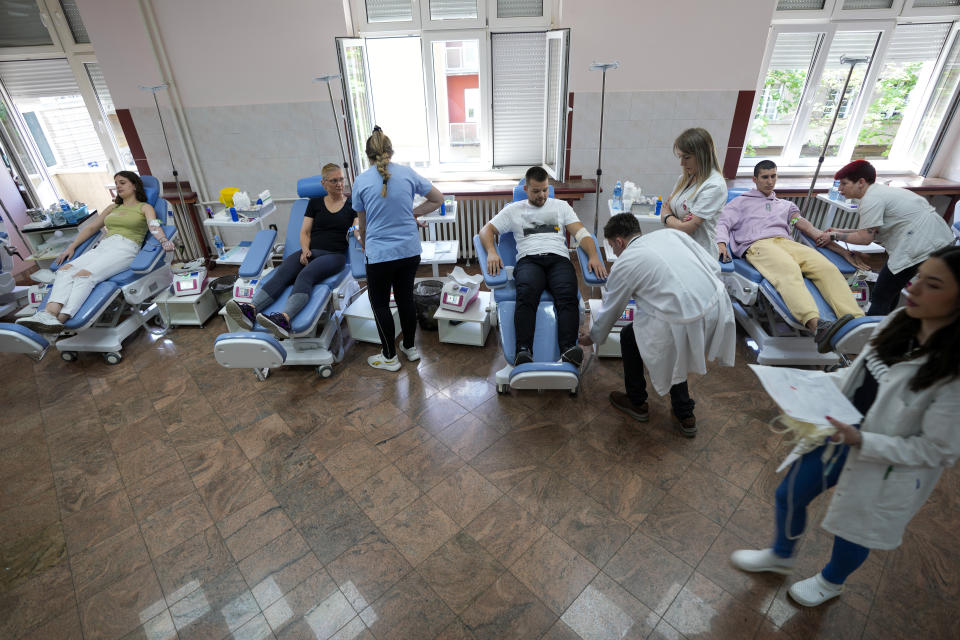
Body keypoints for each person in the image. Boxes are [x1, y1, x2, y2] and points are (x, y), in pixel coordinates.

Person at [731, 246, 960, 607]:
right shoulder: (898, 324)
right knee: (789, 494)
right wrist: (804, 392)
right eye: (918, 277)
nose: (912, 289)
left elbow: (938, 450)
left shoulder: (952, 375)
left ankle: (832, 581)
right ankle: (781, 553)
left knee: (854, 529)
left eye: (932, 285)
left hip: (882, 461)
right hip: (841, 428)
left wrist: (863, 440)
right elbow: (856, 376)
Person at [580, 214, 735, 436]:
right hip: (716, 303)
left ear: (619, 241)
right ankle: (684, 413)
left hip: (681, 317)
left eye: (612, 247)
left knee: (631, 337)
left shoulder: (626, 262)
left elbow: (611, 310)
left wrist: (593, 336)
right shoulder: (671, 234)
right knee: (672, 351)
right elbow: (710, 263)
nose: (613, 253)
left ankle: (637, 402)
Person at [718, 160, 864, 353]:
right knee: (788, 270)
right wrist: (721, 244)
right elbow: (722, 223)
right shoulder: (740, 202)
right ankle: (816, 325)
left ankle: (857, 324)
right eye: (765, 177)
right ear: (755, 179)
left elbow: (806, 226)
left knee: (826, 268)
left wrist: (842, 250)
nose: (770, 181)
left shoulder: (786, 206)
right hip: (758, 245)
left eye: (773, 176)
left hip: (787, 243)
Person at [480, 166, 607, 368]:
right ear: (526, 189)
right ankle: (523, 350)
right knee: (527, 295)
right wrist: (492, 252)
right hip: (529, 260)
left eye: (545, 190)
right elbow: (486, 230)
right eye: (536, 191)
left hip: (558, 259)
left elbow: (581, 233)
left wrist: (593, 256)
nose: (542, 195)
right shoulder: (514, 210)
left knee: (567, 296)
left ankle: (568, 349)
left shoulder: (561, 206)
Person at [17, 171, 174, 334]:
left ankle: (60, 320)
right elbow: (91, 228)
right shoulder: (113, 207)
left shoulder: (145, 207)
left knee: (84, 276)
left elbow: (154, 225)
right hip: (104, 247)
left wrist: (163, 240)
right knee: (64, 271)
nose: (118, 186)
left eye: (122, 182)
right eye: (116, 183)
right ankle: (47, 315)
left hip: (125, 249)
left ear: (134, 185)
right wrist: (71, 246)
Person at [225, 163, 358, 339]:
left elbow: (357, 228)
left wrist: (358, 232)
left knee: (306, 275)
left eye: (341, 179)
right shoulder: (315, 203)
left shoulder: (352, 204)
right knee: (282, 272)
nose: (340, 184)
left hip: (335, 256)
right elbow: (304, 232)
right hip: (311, 251)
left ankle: (284, 319)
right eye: (334, 180)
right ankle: (250, 310)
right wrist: (304, 250)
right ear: (324, 183)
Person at [353, 126, 444, 371]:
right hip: (409, 251)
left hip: (380, 255)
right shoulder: (407, 173)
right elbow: (438, 199)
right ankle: (410, 348)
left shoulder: (361, 181)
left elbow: (363, 223)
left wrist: (363, 242)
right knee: (405, 298)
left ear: (368, 155)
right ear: (390, 152)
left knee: (380, 303)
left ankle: (389, 356)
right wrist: (412, 213)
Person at [815, 159, 953, 316]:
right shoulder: (882, 192)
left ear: (861, 182)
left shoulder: (871, 199)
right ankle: (885, 324)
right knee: (889, 291)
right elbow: (870, 230)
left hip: (918, 246)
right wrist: (839, 231)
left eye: (844, 184)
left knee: (880, 295)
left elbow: (865, 238)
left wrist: (834, 236)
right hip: (939, 239)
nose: (839, 189)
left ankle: (872, 336)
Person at [661, 128, 728, 258]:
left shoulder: (714, 186)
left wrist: (667, 217)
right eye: (681, 157)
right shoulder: (685, 179)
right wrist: (679, 221)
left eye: (687, 157)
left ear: (703, 155)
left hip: (698, 254)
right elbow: (667, 207)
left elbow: (686, 228)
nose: (682, 163)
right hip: (678, 247)